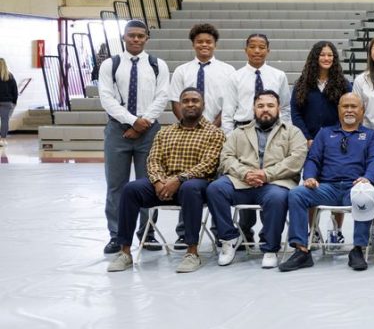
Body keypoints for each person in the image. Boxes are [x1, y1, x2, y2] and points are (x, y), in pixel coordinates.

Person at [106, 87, 223, 274]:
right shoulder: (165, 132)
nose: (190, 104)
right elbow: (153, 160)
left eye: (195, 100)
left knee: (190, 188)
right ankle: (125, 252)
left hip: (195, 186)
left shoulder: (214, 133)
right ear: (179, 105)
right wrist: (158, 182)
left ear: (203, 105)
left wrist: (178, 179)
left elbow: (208, 165)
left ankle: (192, 252)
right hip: (164, 185)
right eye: (186, 101)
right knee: (131, 189)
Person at [279, 93, 374, 273]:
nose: (349, 110)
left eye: (353, 106)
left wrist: (368, 178)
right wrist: (309, 177)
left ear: (362, 110)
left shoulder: (371, 135)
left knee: (366, 195)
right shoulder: (325, 133)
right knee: (297, 194)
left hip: (355, 188)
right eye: (345, 106)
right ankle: (301, 250)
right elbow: (313, 159)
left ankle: (358, 249)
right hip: (327, 188)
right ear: (338, 110)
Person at [206, 89, 307, 269]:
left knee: (277, 198)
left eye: (270, 105)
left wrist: (266, 174)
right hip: (242, 182)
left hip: (276, 183)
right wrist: (245, 173)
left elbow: (296, 159)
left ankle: (270, 248)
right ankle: (229, 239)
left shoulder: (292, 132)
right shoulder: (239, 132)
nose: (265, 109)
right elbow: (226, 157)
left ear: (278, 108)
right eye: (260, 106)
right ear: (253, 109)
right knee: (215, 188)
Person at [98, 20, 171, 255]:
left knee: (149, 184)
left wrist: (142, 124)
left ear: (147, 38)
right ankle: (117, 236)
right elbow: (106, 98)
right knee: (116, 185)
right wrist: (131, 121)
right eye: (132, 36)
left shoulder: (158, 65)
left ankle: (147, 233)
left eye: (141, 36)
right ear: (124, 37)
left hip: (149, 131)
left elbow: (162, 97)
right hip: (118, 130)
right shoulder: (111, 64)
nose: (136, 39)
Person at [168, 22, 235, 126]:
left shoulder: (228, 71)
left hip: (220, 129)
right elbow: (175, 102)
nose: (204, 44)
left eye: (209, 42)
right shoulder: (181, 71)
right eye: (199, 41)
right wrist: (188, 125)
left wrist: (212, 128)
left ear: (215, 45)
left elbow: (230, 103)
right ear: (193, 44)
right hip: (188, 130)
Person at [225, 34, 291, 133]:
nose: (257, 51)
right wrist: (229, 135)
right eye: (252, 47)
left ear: (268, 50)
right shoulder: (235, 77)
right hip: (243, 129)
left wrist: (284, 130)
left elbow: (285, 107)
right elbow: (228, 111)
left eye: (262, 47)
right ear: (245, 50)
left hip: (273, 128)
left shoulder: (279, 75)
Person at [291, 40, 352, 143]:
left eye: (330, 55)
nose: (326, 58)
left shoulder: (344, 85)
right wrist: (307, 138)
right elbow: (296, 113)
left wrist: (336, 134)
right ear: (315, 57)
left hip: (336, 140)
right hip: (308, 142)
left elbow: (348, 111)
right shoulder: (302, 84)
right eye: (322, 55)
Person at [0, 57, 17, 145]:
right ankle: (2, 140)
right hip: (7, 102)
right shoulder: (10, 76)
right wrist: (14, 102)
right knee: (4, 121)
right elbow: (15, 90)